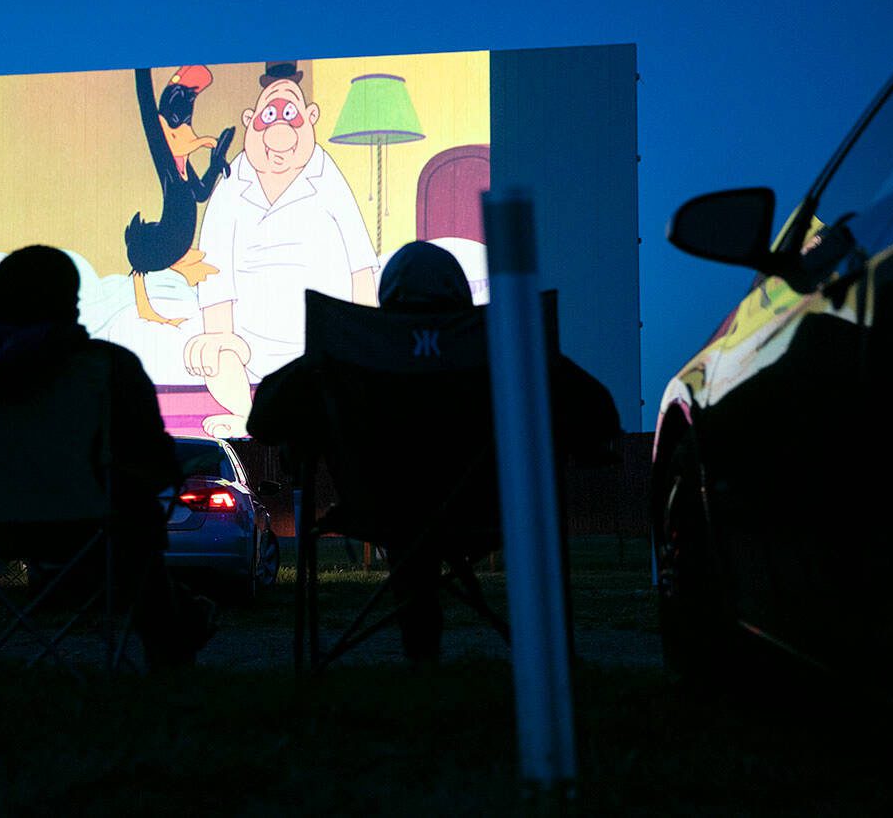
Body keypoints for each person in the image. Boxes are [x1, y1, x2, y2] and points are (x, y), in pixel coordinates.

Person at [248, 240, 622, 663]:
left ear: (387, 295)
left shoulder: (349, 350)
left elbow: (261, 422)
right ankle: (541, 658)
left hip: (379, 507)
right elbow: (600, 418)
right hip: (490, 508)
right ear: (460, 293)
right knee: (424, 518)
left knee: (410, 522)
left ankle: (420, 655)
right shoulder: (505, 346)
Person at [0, 244, 216, 670]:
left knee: (127, 512)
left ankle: (176, 617)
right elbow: (159, 464)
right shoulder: (110, 365)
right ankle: (172, 633)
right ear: (71, 304)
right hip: (87, 527)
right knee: (134, 511)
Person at [184, 60, 378, 440]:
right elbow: (214, 275)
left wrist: (365, 337)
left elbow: (361, 267)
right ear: (249, 120)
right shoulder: (231, 185)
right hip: (248, 350)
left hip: (321, 348)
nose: (279, 130)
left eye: (290, 116)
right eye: (268, 116)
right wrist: (219, 336)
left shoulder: (327, 177)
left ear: (310, 117)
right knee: (214, 355)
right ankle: (247, 417)